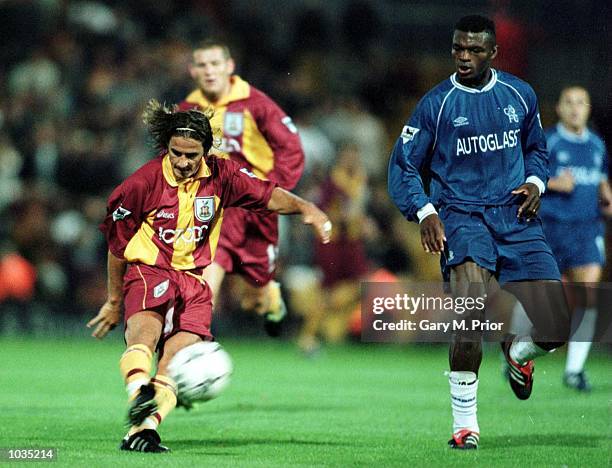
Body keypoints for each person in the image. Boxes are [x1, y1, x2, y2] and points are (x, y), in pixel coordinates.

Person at [86, 101, 331, 453]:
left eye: (191, 155)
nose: (183, 162)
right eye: (176, 153)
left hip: (196, 282)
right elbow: (117, 246)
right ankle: (140, 392)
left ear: (206, 150)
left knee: (176, 361)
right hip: (149, 270)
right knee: (143, 332)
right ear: (166, 147)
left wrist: (307, 207)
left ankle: (143, 429)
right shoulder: (141, 183)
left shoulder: (222, 176)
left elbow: (268, 195)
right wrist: (112, 301)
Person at [388, 15, 570, 450]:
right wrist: (426, 210)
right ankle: (465, 426)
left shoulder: (519, 95)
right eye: (458, 50)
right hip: (462, 218)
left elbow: (537, 152)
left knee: (556, 327)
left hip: (516, 216)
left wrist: (536, 183)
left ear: (493, 53)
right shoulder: (437, 104)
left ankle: (518, 353)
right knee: (469, 318)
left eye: (473, 51)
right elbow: (404, 165)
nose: (464, 57)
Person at [178, 40, 305, 336]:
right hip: (215, 207)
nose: (209, 71)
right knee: (209, 269)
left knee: (256, 290)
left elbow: (291, 149)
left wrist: (271, 191)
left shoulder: (255, 103)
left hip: (257, 207)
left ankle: (271, 299)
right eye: (202, 65)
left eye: (215, 64)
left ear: (229, 67)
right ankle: (191, 341)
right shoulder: (189, 109)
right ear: (192, 70)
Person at [539, 86, 611, 391]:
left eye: (581, 102)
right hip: (553, 227)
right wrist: (554, 182)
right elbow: (524, 178)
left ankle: (574, 369)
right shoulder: (548, 141)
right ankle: (515, 356)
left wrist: (607, 196)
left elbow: (601, 178)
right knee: (543, 303)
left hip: (587, 228)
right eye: (568, 102)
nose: (575, 108)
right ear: (558, 108)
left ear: (589, 108)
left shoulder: (596, 144)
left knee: (589, 296)